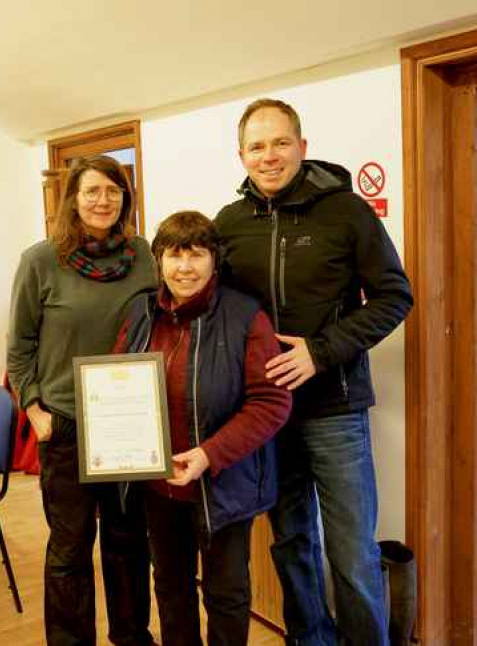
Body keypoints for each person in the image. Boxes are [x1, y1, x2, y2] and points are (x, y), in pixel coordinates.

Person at [215, 98, 414, 645]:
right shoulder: (229, 224)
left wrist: (320, 352)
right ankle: (310, 639)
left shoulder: (347, 211)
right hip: (266, 417)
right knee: (291, 542)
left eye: (281, 143)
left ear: (302, 147)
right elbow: (214, 306)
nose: (269, 156)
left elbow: (395, 296)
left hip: (336, 410)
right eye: (257, 147)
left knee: (351, 552)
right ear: (241, 156)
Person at [113, 211, 292, 646]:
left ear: (215, 259)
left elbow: (271, 402)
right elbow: (117, 383)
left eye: (197, 254)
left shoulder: (246, 315)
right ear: (158, 259)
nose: (185, 267)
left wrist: (208, 454)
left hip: (224, 486)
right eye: (174, 255)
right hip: (160, 485)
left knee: (226, 594)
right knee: (171, 587)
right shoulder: (141, 311)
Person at [8, 155, 157, 645]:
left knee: (128, 541)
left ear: (125, 198)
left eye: (113, 191)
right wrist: (35, 411)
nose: (102, 200)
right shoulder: (41, 260)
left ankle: (132, 635)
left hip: (130, 424)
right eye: (92, 190)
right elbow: (20, 346)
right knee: (70, 549)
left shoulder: (144, 255)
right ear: (72, 198)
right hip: (67, 425)